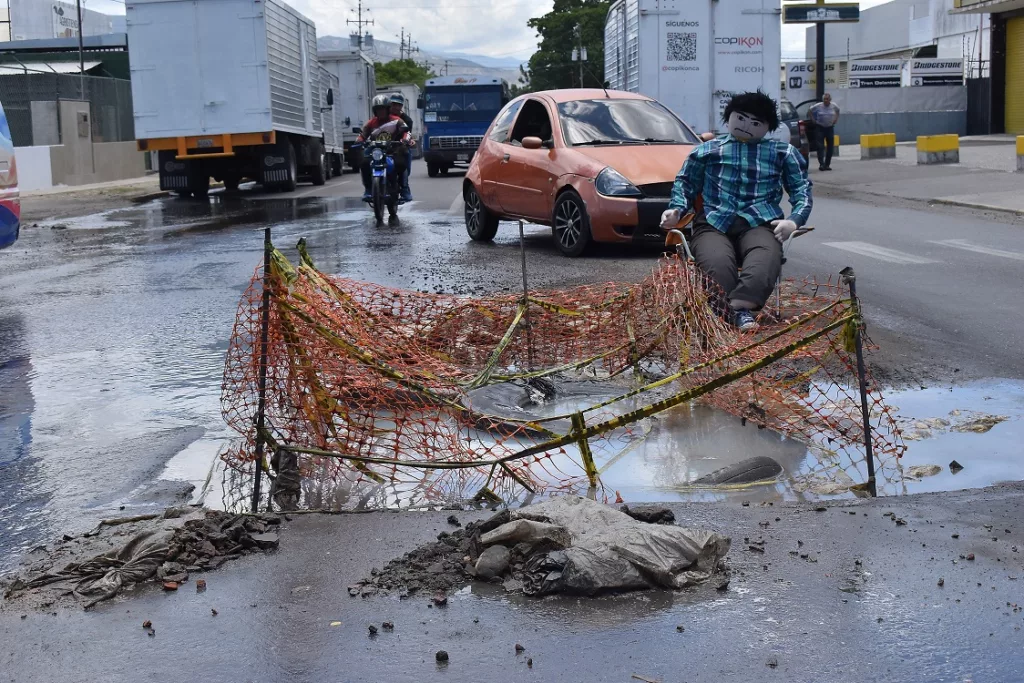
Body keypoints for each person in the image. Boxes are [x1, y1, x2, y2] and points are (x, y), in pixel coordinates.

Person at [660, 90, 813, 332]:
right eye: (740, 118)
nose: (746, 126)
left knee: (766, 255)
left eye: (755, 123)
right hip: (713, 221)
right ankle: (736, 314)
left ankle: (737, 308)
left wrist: (794, 220)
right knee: (716, 260)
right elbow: (685, 184)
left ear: (767, 128)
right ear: (729, 117)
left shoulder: (783, 153)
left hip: (761, 222)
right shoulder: (707, 151)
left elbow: (801, 190)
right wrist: (676, 209)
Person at [358, 94, 411, 201]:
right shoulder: (371, 123)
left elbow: (406, 132)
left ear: (387, 109)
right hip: (376, 151)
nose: (381, 112)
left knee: (401, 164)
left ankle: (404, 189)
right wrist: (359, 141)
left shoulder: (397, 120)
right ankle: (368, 189)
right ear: (375, 111)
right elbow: (363, 135)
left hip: (393, 150)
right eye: (378, 110)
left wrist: (405, 139)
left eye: (383, 109)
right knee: (364, 164)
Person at [389, 93, 415, 202]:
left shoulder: (407, 120)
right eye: (393, 104)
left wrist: (407, 140)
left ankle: (404, 188)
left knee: (404, 157)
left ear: (401, 106)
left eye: (398, 105)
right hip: (382, 146)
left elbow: (407, 134)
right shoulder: (382, 117)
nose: (395, 107)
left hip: (399, 147)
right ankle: (370, 187)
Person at [809, 93, 840, 171]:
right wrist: (813, 119)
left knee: (830, 147)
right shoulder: (818, 106)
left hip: (830, 128)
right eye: (824, 99)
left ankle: (827, 164)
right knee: (820, 147)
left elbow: (838, 111)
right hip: (820, 128)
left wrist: (836, 119)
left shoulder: (834, 106)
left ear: (830, 100)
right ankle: (821, 164)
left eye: (827, 99)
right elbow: (810, 110)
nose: (826, 100)